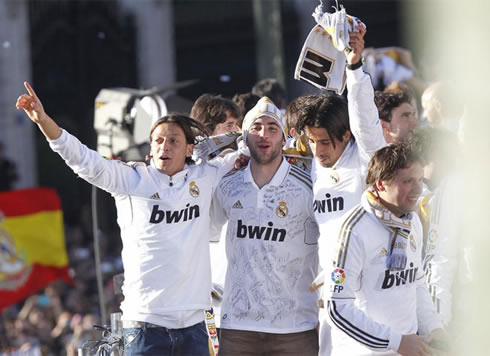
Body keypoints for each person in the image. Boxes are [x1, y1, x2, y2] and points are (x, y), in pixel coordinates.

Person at [16, 82, 239, 356]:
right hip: (145, 325)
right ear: (149, 148)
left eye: (173, 141)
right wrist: (44, 121)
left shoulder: (205, 176)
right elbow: (84, 160)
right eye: (158, 140)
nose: (164, 146)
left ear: (189, 150)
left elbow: (257, 149)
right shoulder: (132, 180)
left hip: (195, 325)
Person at [295, 24, 386, 356]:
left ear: (345, 135)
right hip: (328, 299)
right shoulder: (312, 168)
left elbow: (364, 119)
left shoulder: (365, 158)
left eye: (324, 141)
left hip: (370, 294)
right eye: (311, 140)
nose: (317, 149)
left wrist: (355, 67)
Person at [212, 97, 320, 355]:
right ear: (245, 136)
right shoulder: (227, 184)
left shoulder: (309, 186)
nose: (264, 134)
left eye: (273, 128)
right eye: (256, 127)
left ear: (284, 139)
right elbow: (205, 237)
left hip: (295, 327)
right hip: (237, 326)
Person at [324, 143, 444, 355]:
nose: (418, 189)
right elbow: (337, 307)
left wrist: (433, 327)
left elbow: (416, 283)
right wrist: (396, 341)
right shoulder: (354, 229)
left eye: (420, 179)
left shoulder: (411, 220)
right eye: (407, 181)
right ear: (380, 185)